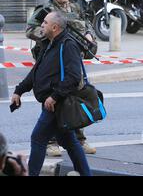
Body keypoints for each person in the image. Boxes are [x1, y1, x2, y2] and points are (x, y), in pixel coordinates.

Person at [11, 11, 92, 176]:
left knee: (38, 138)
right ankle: (85, 174)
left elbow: (74, 76)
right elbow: (36, 71)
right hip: (51, 102)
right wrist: (19, 90)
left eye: (45, 23)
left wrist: (55, 96)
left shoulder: (68, 45)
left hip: (57, 104)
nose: (42, 25)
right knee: (69, 142)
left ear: (55, 27)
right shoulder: (49, 43)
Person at [26, 0, 96, 157]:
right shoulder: (45, 10)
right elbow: (30, 30)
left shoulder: (76, 7)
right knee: (53, 98)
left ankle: (79, 139)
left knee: (76, 97)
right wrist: (49, 33)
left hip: (73, 59)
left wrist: (89, 34)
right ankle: (51, 142)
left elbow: (87, 24)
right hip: (53, 62)